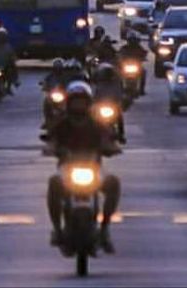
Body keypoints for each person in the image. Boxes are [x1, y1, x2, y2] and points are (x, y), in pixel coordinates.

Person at [45, 82, 121, 254]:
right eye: (75, 101)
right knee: (54, 183)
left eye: (82, 101)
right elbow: (52, 139)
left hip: (93, 169)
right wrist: (52, 148)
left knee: (113, 183)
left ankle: (104, 228)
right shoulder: (62, 123)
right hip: (67, 169)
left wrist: (111, 148)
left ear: (88, 103)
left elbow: (108, 139)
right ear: (69, 103)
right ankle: (57, 229)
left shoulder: (97, 123)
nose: (78, 106)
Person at [92, 63, 126, 143]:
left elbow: (120, 94)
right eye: (105, 75)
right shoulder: (96, 83)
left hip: (112, 105)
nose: (107, 77)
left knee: (119, 116)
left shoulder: (116, 83)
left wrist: (120, 101)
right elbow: (93, 94)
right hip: (100, 105)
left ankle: (121, 134)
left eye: (108, 75)